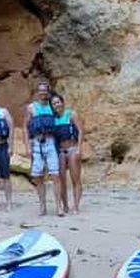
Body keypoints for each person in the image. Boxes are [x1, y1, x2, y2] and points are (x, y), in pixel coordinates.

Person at [24, 80, 63, 216]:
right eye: (40, 90)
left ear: (48, 92)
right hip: (36, 142)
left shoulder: (52, 106)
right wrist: (27, 146)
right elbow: (26, 127)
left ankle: (59, 207)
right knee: (38, 176)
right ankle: (42, 206)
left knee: (55, 175)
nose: (42, 93)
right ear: (37, 92)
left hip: (51, 142)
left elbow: (61, 118)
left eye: (45, 90)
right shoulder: (31, 108)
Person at [52, 92, 84, 214]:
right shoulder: (53, 119)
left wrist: (79, 149)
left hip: (72, 148)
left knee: (75, 178)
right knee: (61, 179)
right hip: (60, 151)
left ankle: (76, 206)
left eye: (58, 102)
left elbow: (81, 130)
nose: (56, 105)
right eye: (54, 103)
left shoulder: (71, 114)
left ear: (62, 102)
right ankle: (65, 206)